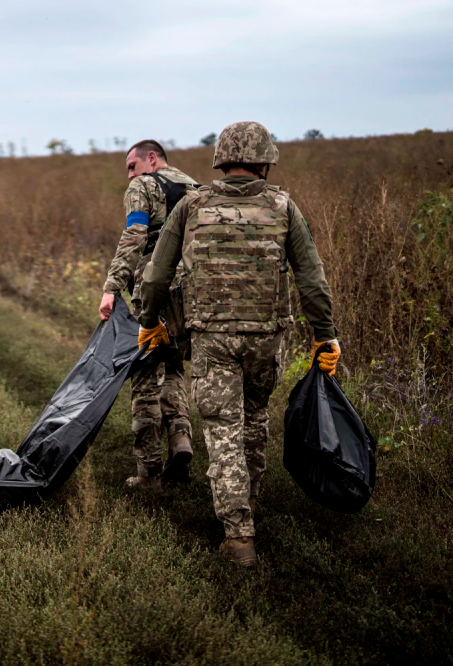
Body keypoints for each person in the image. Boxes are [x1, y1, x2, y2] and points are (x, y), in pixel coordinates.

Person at [136, 122, 339, 568]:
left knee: (222, 428)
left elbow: (155, 275)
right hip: (268, 338)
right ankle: (247, 507)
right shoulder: (284, 207)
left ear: (221, 161)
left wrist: (149, 322)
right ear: (265, 161)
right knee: (254, 421)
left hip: (212, 339)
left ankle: (238, 534)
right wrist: (326, 335)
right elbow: (312, 279)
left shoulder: (191, 205)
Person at [98, 140, 198, 492]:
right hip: (194, 297)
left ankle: (149, 473)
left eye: (131, 165)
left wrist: (112, 286)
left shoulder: (143, 186)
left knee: (143, 374)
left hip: (155, 292)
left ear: (151, 159)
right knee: (173, 366)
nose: (129, 175)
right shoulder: (197, 189)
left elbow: (134, 235)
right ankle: (181, 439)